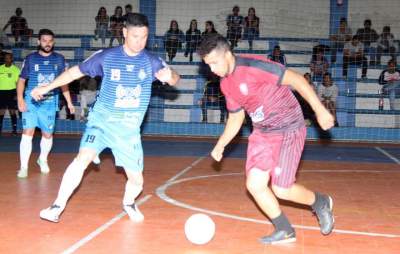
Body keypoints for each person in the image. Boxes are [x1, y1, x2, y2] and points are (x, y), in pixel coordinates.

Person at [32, 13, 180, 223]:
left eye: (144, 37)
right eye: (135, 36)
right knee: (81, 159)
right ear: (125, 32)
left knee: (137, 181)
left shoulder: (151, 61)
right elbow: (74, 73)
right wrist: (47, 87)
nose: (140, 42)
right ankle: (56, 206)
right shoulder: (107, 56)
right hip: (101, 123)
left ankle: (129, 202)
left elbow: (175, 78)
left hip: (128, 132)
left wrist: (170, 76)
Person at [197, 34, 334, 244]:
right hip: (263, 132)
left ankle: (320, 202)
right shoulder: (226, 84)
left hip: (289, 127)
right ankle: (285, 229)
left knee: (282, 189)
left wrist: (319, 110)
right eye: (208, 65)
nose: (212, 69)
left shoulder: (254, 66)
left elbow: (297, 79)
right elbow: (236, 117)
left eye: (214, 63)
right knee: (254, 185)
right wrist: (221, 144)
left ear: (227, 54)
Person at [16, 29, 75, 178]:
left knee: (47, 134)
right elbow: (21, 81)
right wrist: (21, 99)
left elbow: (64, 83)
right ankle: (23, 167)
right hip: (31, 102)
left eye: (50, 41)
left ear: (53, 42)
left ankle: (42, 159)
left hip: (49, 103)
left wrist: (69, 102)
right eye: (44, 40)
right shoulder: (30, 58)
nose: (47, 44)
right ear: (38, 42)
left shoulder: (60, 59)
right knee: (27, 132)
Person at [0, 52, 20, 135]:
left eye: (9, 58)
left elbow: (18, 83)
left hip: (12, 92)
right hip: (1, 92)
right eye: (6, 58)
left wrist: (17, 94)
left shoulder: (16, 70)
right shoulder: (0, 68)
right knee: (1, 111)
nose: (7, 59)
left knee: (12, 111)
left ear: (12, 59)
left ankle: (14, 130)